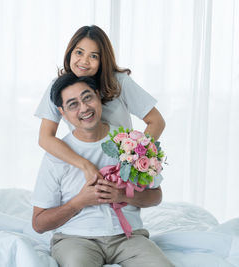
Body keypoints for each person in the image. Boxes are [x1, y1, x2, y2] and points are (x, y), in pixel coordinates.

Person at [32, 73, 174, 267]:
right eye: (73, 104)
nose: (84, 108)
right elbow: (39, 224)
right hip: (76, 240)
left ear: (98, 96)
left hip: (128, 238)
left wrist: (123, 195)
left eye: (87, 97)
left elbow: (156, 196)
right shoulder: (57, 155)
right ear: (62, 113)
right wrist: (78, 203)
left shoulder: (129, 143)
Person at [35, 25, 166, 182]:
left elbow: (156, 121)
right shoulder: (58, 87)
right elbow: (45, 138)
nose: (84, 61)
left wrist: (133, 161)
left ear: (102, 60)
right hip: (84, 165)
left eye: (93, 56)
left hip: (119, 169)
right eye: (79, 52)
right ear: (70, 53)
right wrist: (85, 165)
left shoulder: (119, 82)